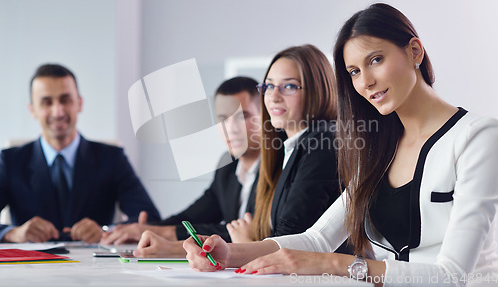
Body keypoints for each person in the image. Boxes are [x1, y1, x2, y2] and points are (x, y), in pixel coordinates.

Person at [182, 3, 498, 286]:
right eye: (354, 71)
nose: (365, 82)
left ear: (414, 51)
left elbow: (452, 276)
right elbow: (318, 238)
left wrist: (334, 264)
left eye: (376, 59)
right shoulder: (377, 147)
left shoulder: (478, 137)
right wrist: (229, 253)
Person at [0, 64, 160, 243]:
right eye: (47, 102)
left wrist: (106, 231)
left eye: (65, 100)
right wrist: (13, 233)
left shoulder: (112, 158)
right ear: (32, 110)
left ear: (79, 103)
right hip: (30, 267)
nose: (58, 111)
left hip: (95, 266)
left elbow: (149, 219)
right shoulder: (9, 161)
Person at [100, 76, 262, 253]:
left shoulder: (280, 166)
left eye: (242, 116)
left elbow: (251, 233)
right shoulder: (228, 167)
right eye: (223, 118)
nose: (231, 128)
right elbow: (193, 216)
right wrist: (146, 228)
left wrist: (163, 232)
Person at [225, 44, 347, 246]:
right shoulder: (286, 148)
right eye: (269, 86)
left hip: (327, 277)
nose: (273, 96)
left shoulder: (323, 142)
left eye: (289, 86)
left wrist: (246, 244)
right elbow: (262, 228)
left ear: (318, 90)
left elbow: (291, 237)